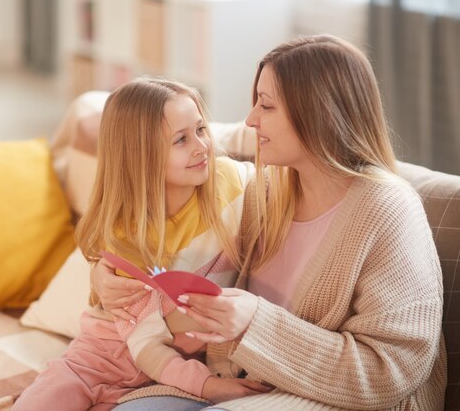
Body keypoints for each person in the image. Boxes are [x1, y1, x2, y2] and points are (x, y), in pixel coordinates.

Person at [92, 35, 446, 410]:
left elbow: (389, 372)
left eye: (266, 105)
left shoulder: (388, 212)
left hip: (329, 400)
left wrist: (255, 324)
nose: (251, 119)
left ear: (319, 113)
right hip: (235, 382)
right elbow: (150, 203)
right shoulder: (264, 193)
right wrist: (102, 274)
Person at [11, 76, 266, 411]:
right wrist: (209, 387)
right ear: (140, 156)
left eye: (201, 130)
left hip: (167, 377)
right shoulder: (125, 235)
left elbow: (274, 141)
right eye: (180, 140)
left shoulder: (231, 182)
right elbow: (145, 344)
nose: (201, 146)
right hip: (97, 362)